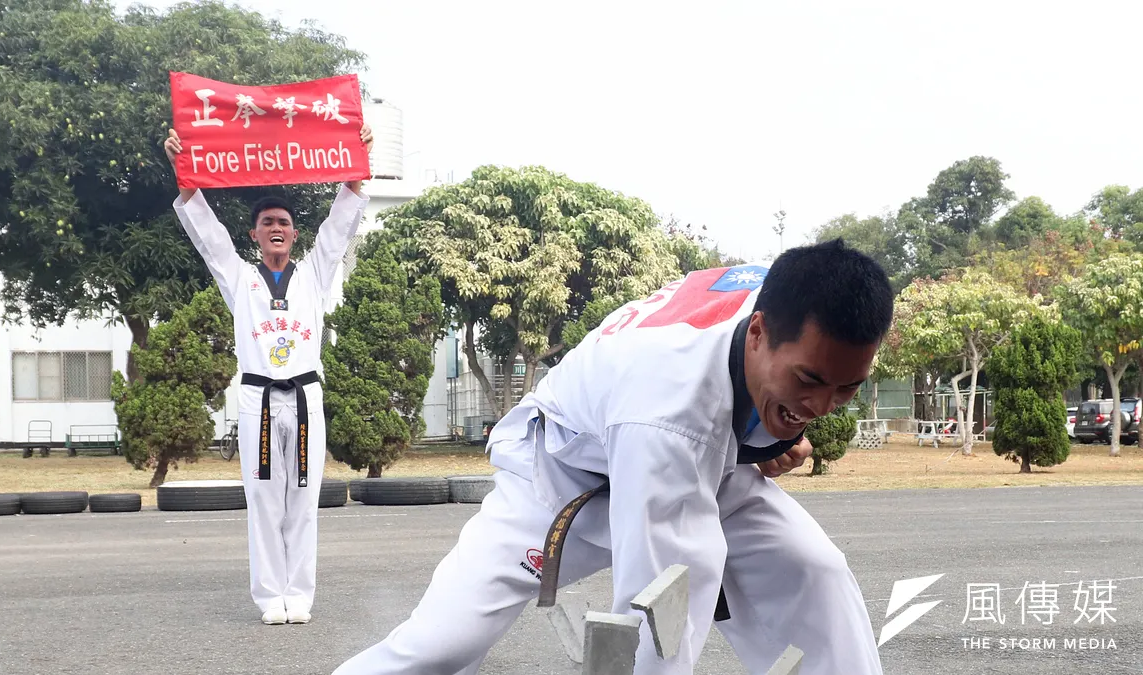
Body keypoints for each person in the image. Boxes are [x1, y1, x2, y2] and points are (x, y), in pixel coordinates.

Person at [331, 239, 894, 675]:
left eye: (846, 388)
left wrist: (773, 426)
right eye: (809, 381)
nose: (824, 406)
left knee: (815, 573)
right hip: (561, 482)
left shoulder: (782, 299)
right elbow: (665, 604)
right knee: (438, 646)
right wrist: (772, 424)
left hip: (705, 467)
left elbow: (759, 392)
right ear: (759, 332)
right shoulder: (667, 409)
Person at [164, 124, 373, 625]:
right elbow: (209, 239)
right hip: (258, 401)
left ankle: (298, 595)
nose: (276, 227)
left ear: (294, 233)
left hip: (304, 401)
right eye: (266, 222)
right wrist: (183, 172)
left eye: (283, 221)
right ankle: (269, 597)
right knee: (263, 501)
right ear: (255, 234)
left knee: (302, 500)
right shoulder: (240, 278)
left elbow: (338, 226)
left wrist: (358, 163)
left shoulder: (313, 275)